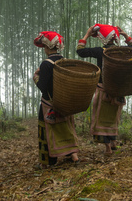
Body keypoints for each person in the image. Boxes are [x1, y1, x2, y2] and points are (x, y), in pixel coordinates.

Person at [76, 24, 132, 156]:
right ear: (114, 37)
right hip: (118, 90)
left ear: (102, 38)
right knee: (113, 118)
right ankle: (113, 143)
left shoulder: (100, 51)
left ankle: (108, 148)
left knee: (101, 118)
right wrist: (126, 36)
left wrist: (87, 35)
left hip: (103, 89)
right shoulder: (121, 50)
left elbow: (80, 51)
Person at [33, 31, 79, 169]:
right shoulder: (65, 61)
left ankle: (47, 161)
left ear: (47, 47)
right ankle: (73, 155)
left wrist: (35, 76)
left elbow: (43, 86)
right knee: (67, 128)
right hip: (65, 102)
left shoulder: (46, 64)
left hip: (49, 103)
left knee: (45, 130)